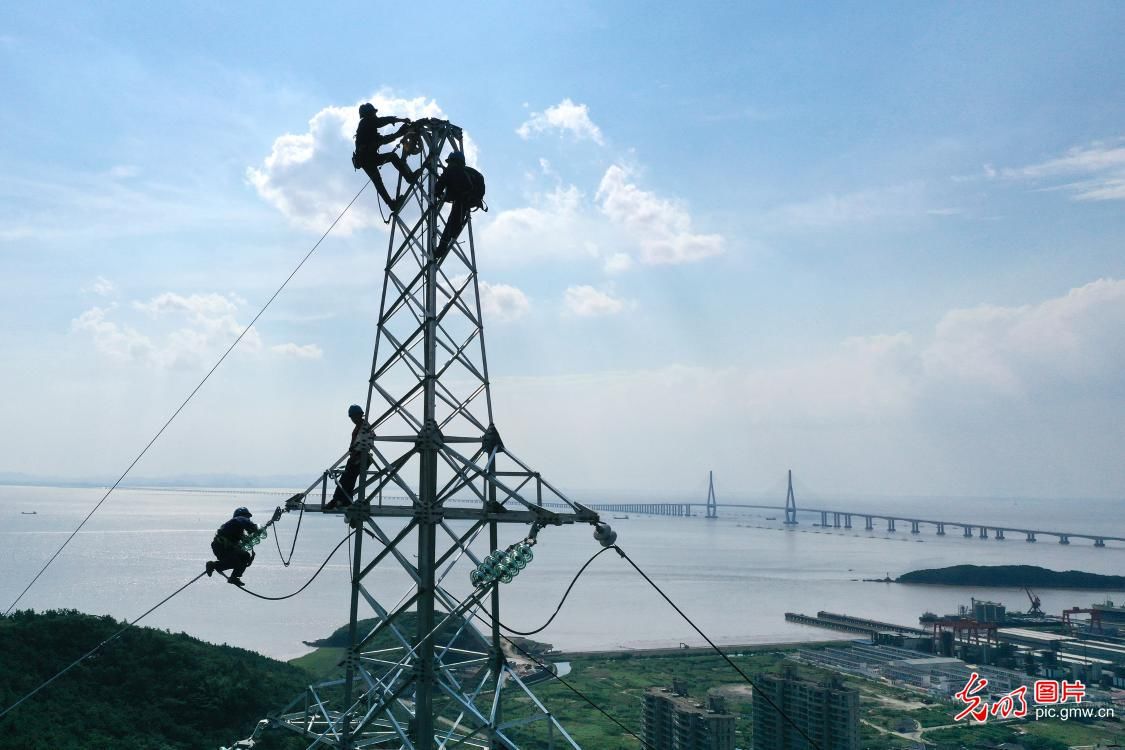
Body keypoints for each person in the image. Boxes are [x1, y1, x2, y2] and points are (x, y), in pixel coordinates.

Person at [353, 102, 420, 214]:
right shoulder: (366, 123)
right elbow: (381, 122)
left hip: (369, 158)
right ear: (369, 114)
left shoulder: (369, 130)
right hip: (366, 159)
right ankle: (406, 182)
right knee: (379, 181)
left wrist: (399, 132)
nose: (375, 116)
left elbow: (383, 139)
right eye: (373, 114)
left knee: (381, 177)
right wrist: (400, 121)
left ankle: (405, 182)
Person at [434, 151, 485, 261]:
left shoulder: (450, 171)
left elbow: (438, 188)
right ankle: (446, 241)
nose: (448, 164)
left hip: (461, 200)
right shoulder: (469, 172)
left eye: (449, 162)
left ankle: (441, 249)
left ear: (453, 162)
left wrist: (438, 194)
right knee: (454, 222)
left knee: (451, 224)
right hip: (470, 200)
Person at [324, 404, 375, 510]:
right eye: (351, 417)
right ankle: (344, 500)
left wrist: (355, 450)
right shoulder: (359, 426)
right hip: (356, 457)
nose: (352, 419)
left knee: (346, 478)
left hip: (361, 458)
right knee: (348, 479)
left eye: (353, 416)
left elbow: (367, 441)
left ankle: (337, 500)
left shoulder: (365, 427)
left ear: (358, 415)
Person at [206, 507, 258, 586]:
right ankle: (213, 565)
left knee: (245, 556)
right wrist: (253, 527)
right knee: (235, 561)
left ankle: (234, 576)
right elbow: (243, 520)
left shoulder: (237, 529)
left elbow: (241, 541)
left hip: (225, 548)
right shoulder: (237, 520)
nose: (248, 519)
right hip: (221, 546)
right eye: (247, 517)